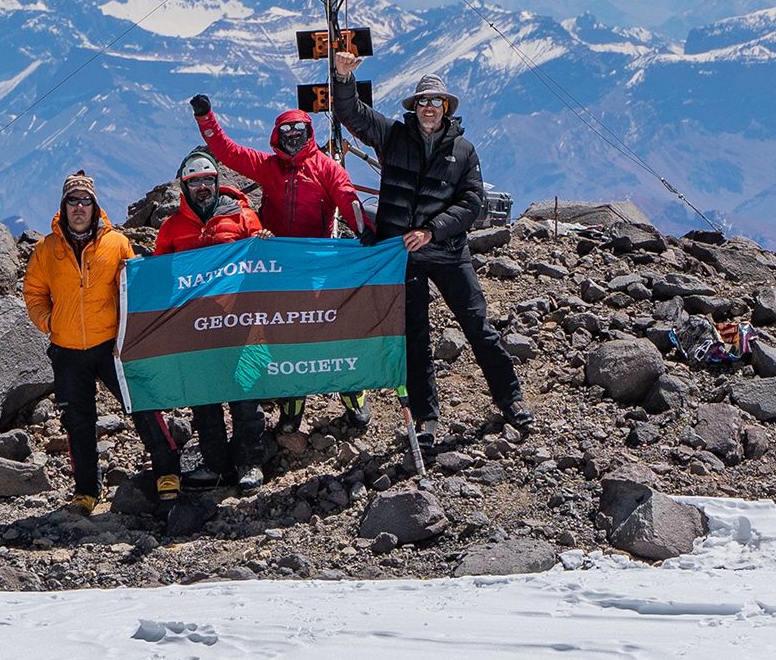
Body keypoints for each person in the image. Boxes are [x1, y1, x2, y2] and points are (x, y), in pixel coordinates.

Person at [330, 53, 531, 450]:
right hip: (402, 255)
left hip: (448, 252)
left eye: (435, 101)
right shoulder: (392, 136)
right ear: (414, 107)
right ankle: (426, 418)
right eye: (422, 101)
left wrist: (432, 231)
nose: (428, 107)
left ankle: (511, 400)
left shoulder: (464, 150)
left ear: (446, 108)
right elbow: (351, 113)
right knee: (415, 337)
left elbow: (472, 203)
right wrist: (342, 77)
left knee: (478, 328)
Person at [189, 92, 369, 433]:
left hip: (316, 267)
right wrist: (206, 119)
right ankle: (291, 408)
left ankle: (354, 397)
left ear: (308, 132)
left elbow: (348, 199)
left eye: (298, 131)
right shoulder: (267, 167)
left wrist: (368, 237)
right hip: (276, 269)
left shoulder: (326, 169)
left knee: (330, 330)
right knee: (282, 335)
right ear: (277, 135)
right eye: (286, 132)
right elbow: (227, 151)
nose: (292, 137)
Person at [148, 148, 272, 493]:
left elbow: (263, 264)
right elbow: (159, 274)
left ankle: (250, 463)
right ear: (184, 187)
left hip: (243, 323)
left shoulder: (243, 217)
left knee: (246, 395)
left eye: (207, 179)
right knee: (205, 400)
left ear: (217, 181)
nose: (202, 186)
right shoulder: (171, 228)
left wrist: (264, 243)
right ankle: (216, 466)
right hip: (197, 328)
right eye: (194, 181)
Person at [20, 171, 140, 515]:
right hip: (67, 350)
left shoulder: (117, 243)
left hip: (110, 346)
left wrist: (127, 331)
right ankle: (86, 492)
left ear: (95, 205)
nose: (79, 207)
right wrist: (50, 322)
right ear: (63, 205)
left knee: (141, 404)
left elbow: (132, 288)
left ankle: (166, 471)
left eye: (85, 200)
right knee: (78, 424)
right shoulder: (46, 248)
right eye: (72, 200)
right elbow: (34, 293)